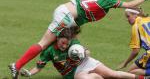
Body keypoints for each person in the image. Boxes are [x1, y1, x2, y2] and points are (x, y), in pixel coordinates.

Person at [8, 0, 150, 78]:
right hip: (66, 16)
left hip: (65, 12)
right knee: (44, 43)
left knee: (70, 41)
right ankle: (18, 65)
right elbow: (129, 4)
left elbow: (78, 3)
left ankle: (80, 67)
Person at [20, 43, 150, 79]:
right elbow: (39, 67)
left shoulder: (73, 43)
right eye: (63, 43)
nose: (64, 46)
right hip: (74, 73)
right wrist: (30, 74)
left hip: (86, 62)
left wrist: (83, 53)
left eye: (67, 44)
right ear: (58, 39)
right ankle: (98, 76)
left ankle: (142, 78)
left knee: (113, 74)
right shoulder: (49, 51)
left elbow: (87, 52)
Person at [118, 7, 150, 76]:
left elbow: (135, 51)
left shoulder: (136, 26)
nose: (127, 19)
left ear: (136, 15)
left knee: (130, 72)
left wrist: (125, 63)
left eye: (128, 16)